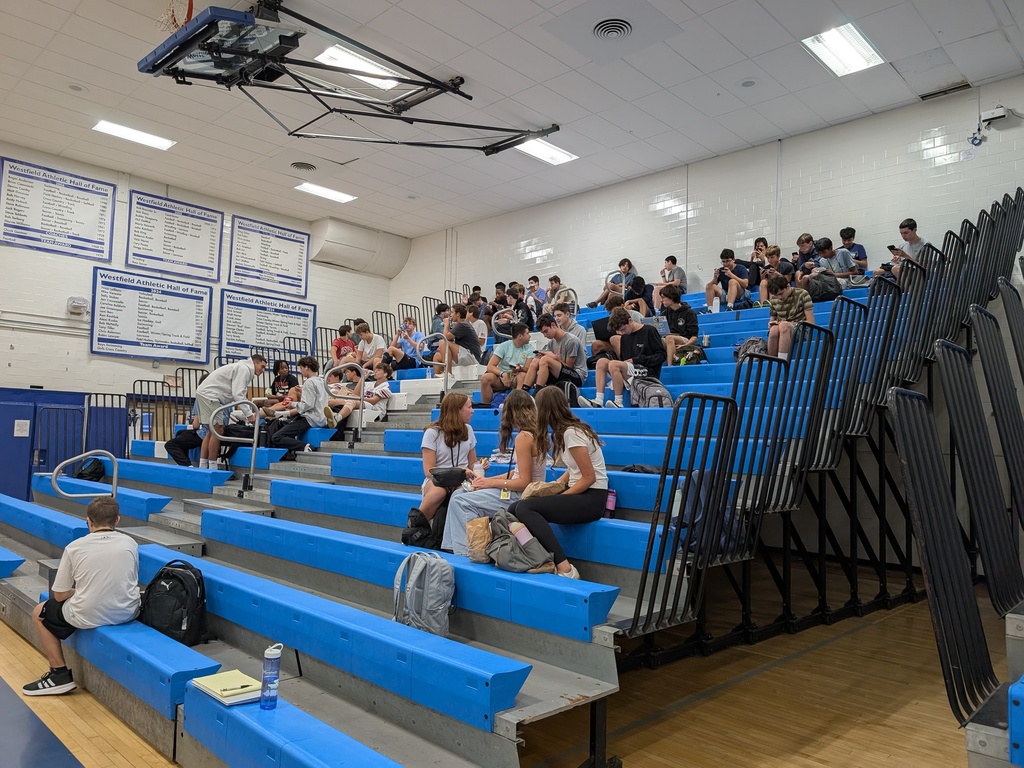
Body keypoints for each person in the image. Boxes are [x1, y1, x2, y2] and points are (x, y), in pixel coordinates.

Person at [23, 496, 140, 696]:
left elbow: (59, 595)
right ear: (118, 520)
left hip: (89, 614)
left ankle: (58, 674)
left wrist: (76, 592)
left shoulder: (75, 547)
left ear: (88, 521)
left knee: (38, 613)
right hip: (128, 611)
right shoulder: (130, 543)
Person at [506, 387, 608, 579]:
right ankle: (536, 558)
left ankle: (565, 568)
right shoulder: (566, 431)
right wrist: (553, 487)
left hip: (592, 497)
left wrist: (560, 496)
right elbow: (574, 469)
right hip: (581, 492)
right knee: (513, 508)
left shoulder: (572, 433)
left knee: (526, 508)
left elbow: (589, 478)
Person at [442, 390, 547, 555]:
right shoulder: (533, 433)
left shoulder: (524, 437)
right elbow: (516, 473)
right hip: (521, 492)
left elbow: (524, 482)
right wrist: (485, 481)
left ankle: (468, 552)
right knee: (459, 494)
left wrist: (489, 483)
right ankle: (451, 547)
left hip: (522, 496)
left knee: (460, 502)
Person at [415, 391, 480, 523]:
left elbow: (472, 463)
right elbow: (429, 471)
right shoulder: (432, 433)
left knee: (463, 493)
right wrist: (458, 470)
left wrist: (479, 467)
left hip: (462, 479)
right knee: (439, 492)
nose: (472, 411)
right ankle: (416, 525)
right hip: (438, 479)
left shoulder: (469, 430)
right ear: (457, 410)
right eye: (469, 407)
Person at [582, 307, 666, 408]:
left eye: (623, 329)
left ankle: (618, 401)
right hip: (631, 370)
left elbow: (661, 356)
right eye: (619, 331)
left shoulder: (649, 330)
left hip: (648, 372)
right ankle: (598, 400)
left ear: (630, 321)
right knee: (601, 362)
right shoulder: (625, 337)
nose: (622, 333)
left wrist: (637, 360)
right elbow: (624, 359)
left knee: (613, 364)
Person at [195, 354, 266, 469]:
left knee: (211, 431)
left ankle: (203, 465)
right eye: (262, 366)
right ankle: (212, 466)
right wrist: (249, 415)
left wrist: (246, 413)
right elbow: (238, 395)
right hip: (210, 396)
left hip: (205, 394)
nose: (263, 370)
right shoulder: (244, 369)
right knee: (218, 431)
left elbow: (238, 394)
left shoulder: (241, 367)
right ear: (255, 363)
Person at [268, 356, 328, 458]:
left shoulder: (309, 382)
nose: (300, 371)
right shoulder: (322, 381)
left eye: (301, 368)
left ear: (307, 367)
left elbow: (307, 405)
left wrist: (292, 404)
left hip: (310, 418)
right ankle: (281, 415)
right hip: (321, 417)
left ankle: (306, 446)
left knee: (276, 437)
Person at [325, 361, 392, 436]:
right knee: (331, 402)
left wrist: (359, 398)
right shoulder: (370, 384)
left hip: (376, 410)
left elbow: (373, 401)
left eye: (379, 370)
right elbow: (355, 394)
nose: (375, 371)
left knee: (352, 401)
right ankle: (324, 421)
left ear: (385, 374)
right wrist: (363, 378)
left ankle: (337, 418)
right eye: (375, 369)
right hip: (363, 403)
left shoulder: (386, 387)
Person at [525, 312, 586, 390]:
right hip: (560, 373)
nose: (545, 335)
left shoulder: (571, 340)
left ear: (553, 325)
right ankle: (524, 391)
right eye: (543, 333)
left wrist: (555, 358)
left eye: (546, 331)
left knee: (545, 360)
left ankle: (537, 393)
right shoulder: (551, 343)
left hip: (577, 376)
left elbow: (569, 368)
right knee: (536, 361)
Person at [478, 323, 534, 407]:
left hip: (518, 375)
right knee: (485, 378)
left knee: (523, 375)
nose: (530, 336)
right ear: (520, 336)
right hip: (502, 376)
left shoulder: (529, 348)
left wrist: (520, 369)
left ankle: (517, 405)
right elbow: (490, 366)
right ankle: (487, 407)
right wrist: (502, 374)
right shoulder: (504, 346)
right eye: (527, 333)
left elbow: (528, 369)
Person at [765, 275, 815, 360]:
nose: (779, 297)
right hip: (781, 327)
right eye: (776, 295)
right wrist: (771, 324)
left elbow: (811, 322)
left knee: (784, 326)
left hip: (800, 328)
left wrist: (789, 324)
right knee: (773, 330)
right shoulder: (774, 299)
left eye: (781, 293)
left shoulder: (802, 294)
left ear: (788, 286)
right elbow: (772, 320)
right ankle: (771, 362)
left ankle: (782, 360)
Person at [659, 285, 699, 365]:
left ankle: (670, 366)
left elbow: (694, 337)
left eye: (663, 297)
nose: (661, 300)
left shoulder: (689, 313)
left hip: (685, 339)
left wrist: (684, 345)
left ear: (671, 297)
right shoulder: (664, 314)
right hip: (668, 338)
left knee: (669, 338)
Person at [441, 303, 485, 373]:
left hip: (472, 356)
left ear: (458, 314)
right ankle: (440, 380)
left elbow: (445, 337)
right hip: (465, 353)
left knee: (443, 342)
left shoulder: (463, 324)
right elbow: (450, 339)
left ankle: (448, 373)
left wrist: (446, 324)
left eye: (452, 312)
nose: (450, 315)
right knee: (437, 356)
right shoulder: (462, 324)